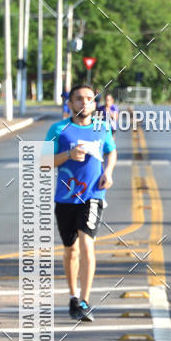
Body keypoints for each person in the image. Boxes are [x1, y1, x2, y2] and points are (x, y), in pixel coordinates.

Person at [45, 83, 117, 322]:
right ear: (70, 104)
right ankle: (73, 296)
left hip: (93, 196)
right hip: (65, 198)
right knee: (70, 250)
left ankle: (85, 300)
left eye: (89, 98)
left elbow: (111, 150)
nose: (84, 102)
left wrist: (108, 171)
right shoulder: (59, 130)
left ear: (94, 104)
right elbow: (42, 161)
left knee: (87, 244)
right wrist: (67, 154)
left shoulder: (102, 127)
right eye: (78, 99)